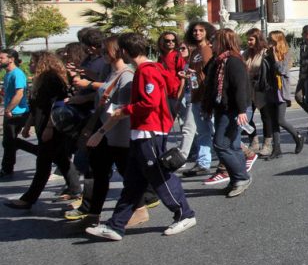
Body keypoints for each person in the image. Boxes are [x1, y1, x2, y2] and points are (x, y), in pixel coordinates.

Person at [84, 32, 197, 240]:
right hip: (142, 131)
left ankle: (184, 214)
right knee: (133, 182)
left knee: (159, 175)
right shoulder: (147, 69)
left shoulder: (146, 71)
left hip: (149, 130)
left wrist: (124, 111)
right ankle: (116, 225)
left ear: (126, 51)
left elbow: (150, 102)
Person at [65, 36, 137, 223]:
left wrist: (101, 131)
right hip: (104, 131)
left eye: (106, 51)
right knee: (98, 172)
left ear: (118, 51)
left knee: (127, 175)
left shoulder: (127, 74)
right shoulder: (110, 73)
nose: (103, 54)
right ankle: (93, 213)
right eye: (102, 51)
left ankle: (139, 207)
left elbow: (122, 110)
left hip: (118, 134)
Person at [5, 51, 78, 210]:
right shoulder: (41, 81)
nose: (29, 64)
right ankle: (75, 189)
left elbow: (57, 106)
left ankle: (28, 199)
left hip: (51, 127)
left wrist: (49, 128)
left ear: (41, 64)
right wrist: (27, 125)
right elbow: (36, 106)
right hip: (42, 126)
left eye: (32, 62)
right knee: (61, 159)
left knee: (43, 163)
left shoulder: (51, 80)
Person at [203, 29, 254, 198]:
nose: (211, 44)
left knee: (221, 145)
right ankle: (235, 180)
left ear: (223, 42)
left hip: (233, 109)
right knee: (232, 145)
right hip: (222, 108)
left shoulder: (233, 61)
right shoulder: (219, 61)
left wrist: (241, 110)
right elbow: (207, 74)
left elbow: (240, 87)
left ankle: (241, 177)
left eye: (214, 41)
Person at [180, 20, 215, 178]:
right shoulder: (194, 51)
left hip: (205, 95)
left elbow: (209, 72)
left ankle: (243, 152)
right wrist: (188, 74)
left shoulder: (207, 49)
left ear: (207, 32)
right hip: (195, 94)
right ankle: (203, 162)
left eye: (201, 30)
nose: (197, 33)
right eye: (194, 31)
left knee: (215, 129)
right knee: (203, 131)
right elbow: (196, 71)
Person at [265, 31, 305, 157]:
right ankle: (276, 149)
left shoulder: (286, 54)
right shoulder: (267, 54)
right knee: (273, 122)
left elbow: (281, 70)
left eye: (271, 41)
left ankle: (298, 136)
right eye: (269, 40)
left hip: (281, 92)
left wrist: (275, 57)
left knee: (280, 120)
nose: (269, 43)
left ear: (278, 42)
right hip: (270, 90)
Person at [1, 49, 32, 176]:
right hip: (11, 112)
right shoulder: (8, 74)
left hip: (18, 112)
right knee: (9, 141)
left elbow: (19, 94)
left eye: (1, 58)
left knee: (9, 141)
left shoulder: (17, 74)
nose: (0, 60)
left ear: (11, 59)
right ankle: (7, 168)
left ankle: (7, 169)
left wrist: (9, 109)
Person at [243, 28, 271, 155]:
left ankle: (267, 144)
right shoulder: (246, 54)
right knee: (247, 118)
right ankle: (253, 141)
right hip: (248, 89)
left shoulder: (265, 53)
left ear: (258, 39)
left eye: (251, 39)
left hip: (261, 89)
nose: (248, 42)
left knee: (266, 117)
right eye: (247, 39)